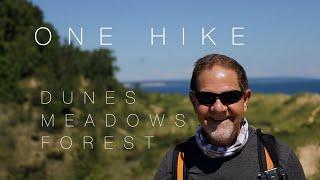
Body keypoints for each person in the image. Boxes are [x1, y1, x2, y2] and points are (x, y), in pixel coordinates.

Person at [155, 54, 305, 180]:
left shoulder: (278, 159)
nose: (218, 108)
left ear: (245, 100)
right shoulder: (174, 166)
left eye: (230, 96)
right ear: (194, 102)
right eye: (206, 97)